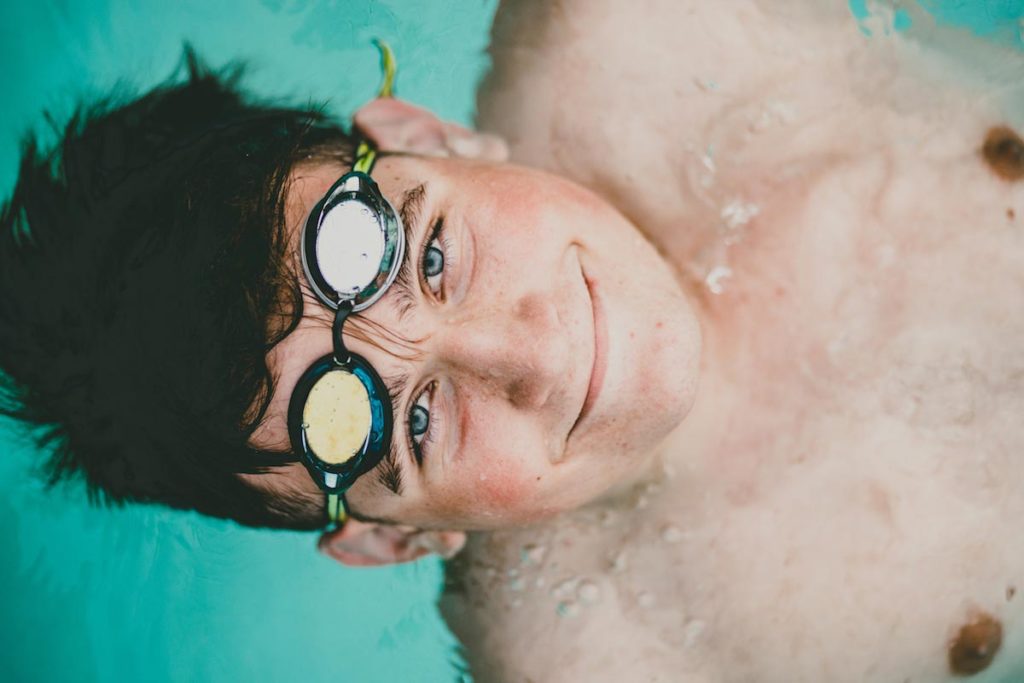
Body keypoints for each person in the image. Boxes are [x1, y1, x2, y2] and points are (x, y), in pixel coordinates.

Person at [1, 2, 1022, 682]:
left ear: (431, 141)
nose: (525, 355)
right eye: (420, 423)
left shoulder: (654, 24)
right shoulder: (610, 660)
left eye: (433, 253)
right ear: (399, 537)